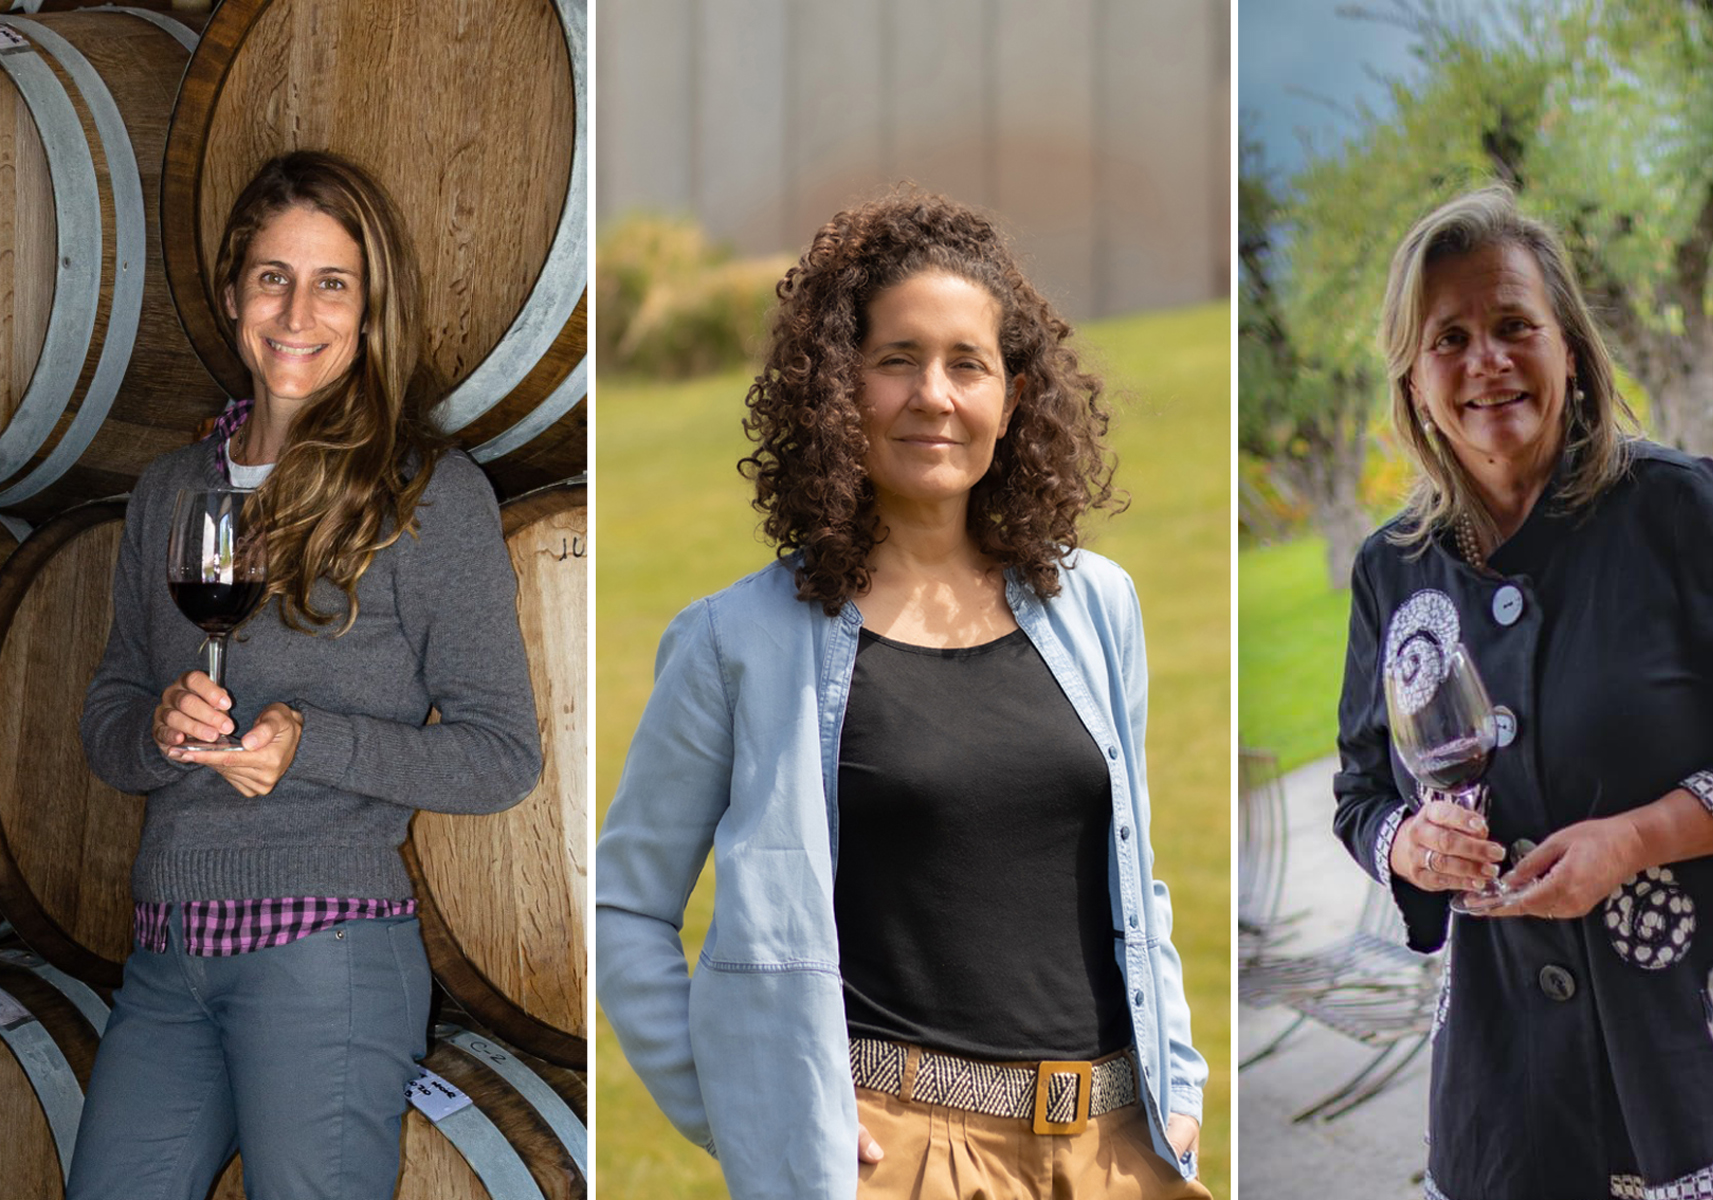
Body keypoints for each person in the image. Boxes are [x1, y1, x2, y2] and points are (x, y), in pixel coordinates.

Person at [595, 191, 1210, 1199]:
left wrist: (1176, 1086)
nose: (935, 394)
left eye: (968, 363)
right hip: (905, 1158)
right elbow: (627, 908)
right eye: (897, 360)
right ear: (837, 388)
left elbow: (1137, 875)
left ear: (1012, 397)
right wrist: (758, 1112)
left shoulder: (1100, 605)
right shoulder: (737, 643)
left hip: (1117, 1148)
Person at [69, 151, 541, 1199]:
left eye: (333, 283)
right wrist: (155, 729)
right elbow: (105, 714)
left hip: (324, 952)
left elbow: (502, 756)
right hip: (168, 947)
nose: (296, 311)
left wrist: (309, 744)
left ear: (370, 311)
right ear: (235, 290)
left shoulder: (424, 495)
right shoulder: (170, 491)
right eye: (273, 276)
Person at [1335, 185, 1713, 1199]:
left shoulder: (1673, 508)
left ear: (1572, 352)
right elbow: (1362, 790)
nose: (1484, 360)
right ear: (1413, 380)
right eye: (1448, 337)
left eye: (1513, 326)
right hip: (1514, 1087)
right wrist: (1408, 846)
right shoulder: (1391, 572)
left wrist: (1636, 839)